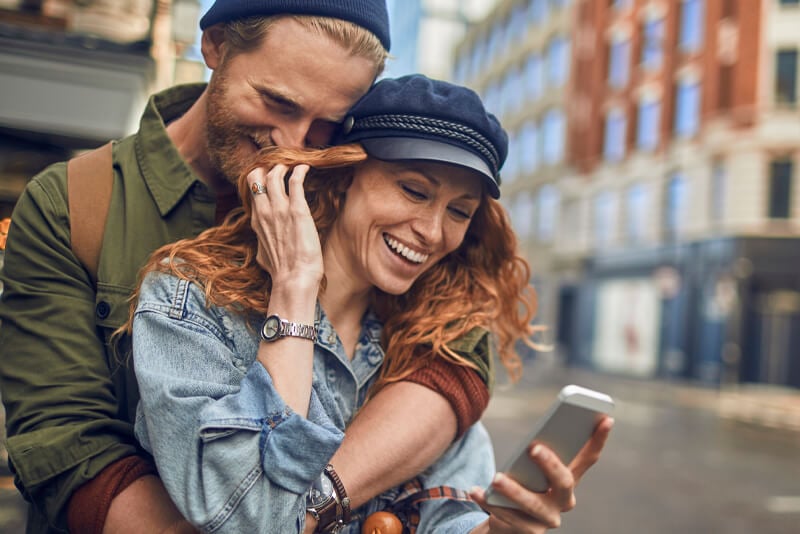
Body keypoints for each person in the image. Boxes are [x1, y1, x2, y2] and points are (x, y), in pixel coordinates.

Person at [0, 2, 522, 533]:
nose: (294, 146)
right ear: (216, 45)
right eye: (277, 102)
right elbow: (62, 442)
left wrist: (310, 507)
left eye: (326, 126)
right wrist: (251, 520)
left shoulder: (365, 233)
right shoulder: (76, 205)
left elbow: (454, 353)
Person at [126, 74, 614, 533]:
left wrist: (497, 529)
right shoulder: (190, 300)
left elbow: (450, 512)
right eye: (414, 190)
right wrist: (294, 290)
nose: (432, 231)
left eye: (459, 212)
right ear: (343, 174)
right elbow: (239, 513)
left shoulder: (428, 348)